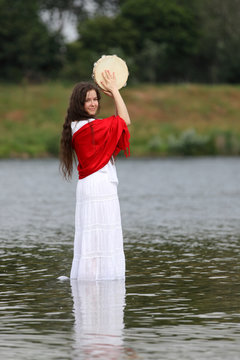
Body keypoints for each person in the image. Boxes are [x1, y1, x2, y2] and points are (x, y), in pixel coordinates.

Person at [60, 70, 131, 281]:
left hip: (93, 186)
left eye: (95, 99)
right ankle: (101, 279)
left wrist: (113, 93)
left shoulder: (78, 126)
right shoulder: (86, 126)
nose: (93, 104)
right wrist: (116, 92)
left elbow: (118, 123)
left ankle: (92, 279)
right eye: (87, 100)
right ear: (78, 104)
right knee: (100, 233)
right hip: (98, 186)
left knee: (93, 235)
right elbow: (124, 120)